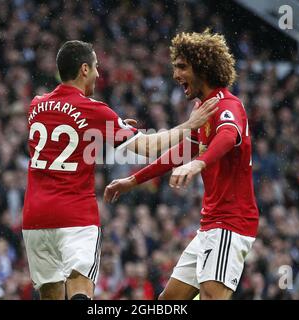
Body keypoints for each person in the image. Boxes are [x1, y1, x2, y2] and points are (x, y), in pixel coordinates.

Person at [22, 40, 218, 300]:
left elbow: (65, 140)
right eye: (95, 67)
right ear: (83, 69)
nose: (98, 74)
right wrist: (189, 125)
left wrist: (111, 130)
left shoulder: (37, 105)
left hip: (35, 217)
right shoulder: (95, 110)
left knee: (50, 295)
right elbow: (148, 147)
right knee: (80, 289)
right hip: (73, 215)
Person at [104, 30, 259, 300]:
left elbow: (228, 135)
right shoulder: (204, 108)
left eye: (182, 67)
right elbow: (182, 151)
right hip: (210, 225)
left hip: (230, 223)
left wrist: (198, 164)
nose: (176, 75)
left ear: (203, 67)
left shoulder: (228, 106)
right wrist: (133, 180)